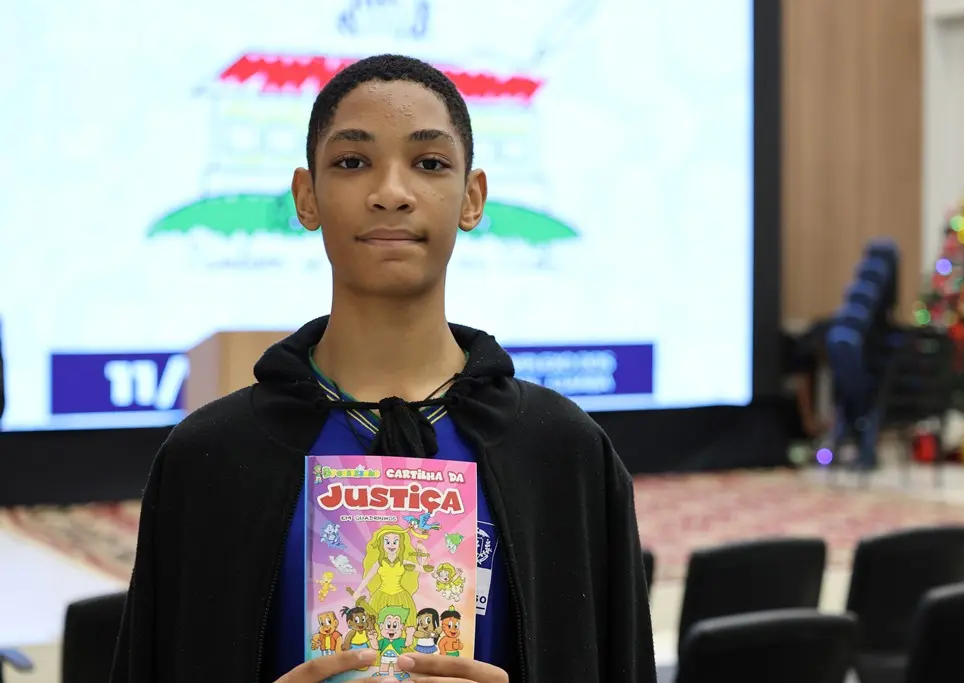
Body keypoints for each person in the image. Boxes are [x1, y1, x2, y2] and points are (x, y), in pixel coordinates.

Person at [111, 54, 655, 682]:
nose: (390, 193)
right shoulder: (210, 458)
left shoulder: (563, 451)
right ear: (306, 197)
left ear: (471, 198)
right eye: (351, 162)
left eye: (429, 164)